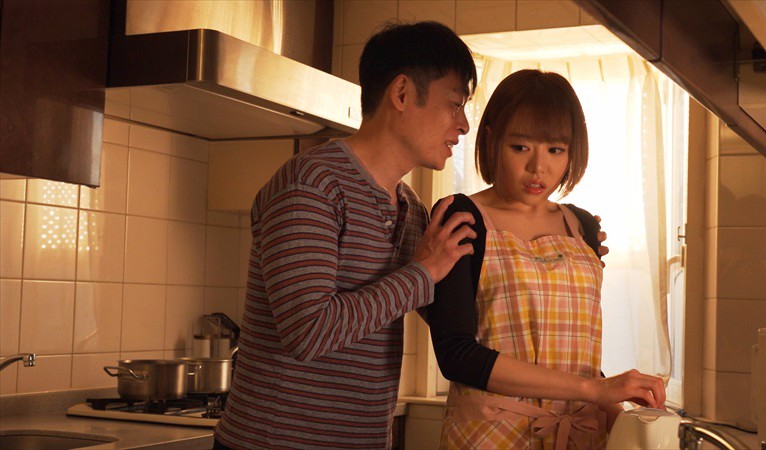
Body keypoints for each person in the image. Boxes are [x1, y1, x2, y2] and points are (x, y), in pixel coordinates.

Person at [212, 21, 480, 449]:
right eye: (455, 104)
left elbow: (449, 314)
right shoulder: (311, 184)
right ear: (402, 93)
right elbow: (308, 332)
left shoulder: (411, 209)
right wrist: (423, 272)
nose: (463, 125)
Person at [427, 69, 667, 449]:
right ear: (491, 140)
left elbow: (575, 351)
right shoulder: (462, 216)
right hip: (491, 437)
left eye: (555, 150)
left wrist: (624, 418)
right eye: (520, 147)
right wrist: (594, 389)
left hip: (578, 436)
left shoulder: (583, 226)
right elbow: (456, 354)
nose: (538, 168)